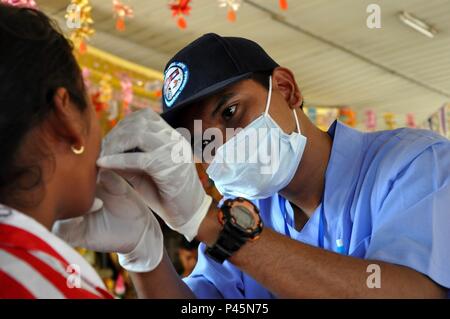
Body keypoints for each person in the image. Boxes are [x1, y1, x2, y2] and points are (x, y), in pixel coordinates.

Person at [95, 33, 450, 298]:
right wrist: (143, 254)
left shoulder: (413, 163)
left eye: (231, 112)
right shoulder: (245, 211)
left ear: (286, 88)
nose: (222, 144)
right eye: (200, 140)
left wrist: (212, 225)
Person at [0, 4, 200, 299]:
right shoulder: (49, 287)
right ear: (66, 113)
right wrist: (204, 221)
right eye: (91, 106)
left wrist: (148, 260)